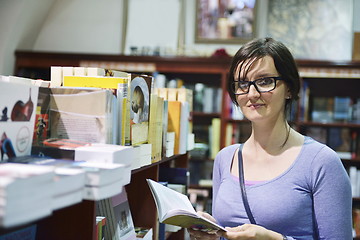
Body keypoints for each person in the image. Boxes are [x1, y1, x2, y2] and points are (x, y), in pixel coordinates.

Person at [188, 37, 352, 239]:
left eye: (265, 81)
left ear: (289, 88)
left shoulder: (321, 162)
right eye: (242, 83)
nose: (252, 93)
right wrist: (214, 232)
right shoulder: (225, 158)